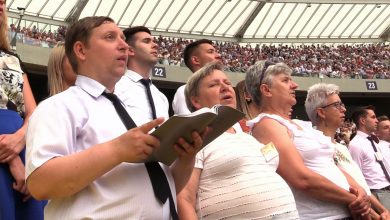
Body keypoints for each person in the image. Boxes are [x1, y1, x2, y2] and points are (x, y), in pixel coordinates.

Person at [26, 17, 202, 219]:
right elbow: (40, 184)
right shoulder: (58, 106)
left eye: (122, 38)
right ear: (81, 50)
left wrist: (186, 159)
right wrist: (116, 150)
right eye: (110, 37)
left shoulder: (135, 112)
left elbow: (163, 188)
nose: (124, 45)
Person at [245, 61, 371, 219]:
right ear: (266, 90)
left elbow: (331, 166)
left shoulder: (300, 125)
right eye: (285, 80)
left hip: (345, 212)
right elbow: (302, 179)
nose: (295, 85)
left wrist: (361, 194)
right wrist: (354, 199)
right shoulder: (266, 125)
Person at [177, 61, 299, 219]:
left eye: (227, 82)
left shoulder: (246, 134)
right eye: (214, 85)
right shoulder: (194, 139)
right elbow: (184, 198)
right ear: (196, 101)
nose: (225, 87)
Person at [305, 83, 389, 219]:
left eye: (342, 104)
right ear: (321, 112)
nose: (343, 109)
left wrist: (383, 210)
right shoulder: (314, 146)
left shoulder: (342, 147)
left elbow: (360, 183)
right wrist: (376, 216)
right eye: (337, 105)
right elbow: (348, 190)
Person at [0, 0, 45, 219]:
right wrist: (12, 159)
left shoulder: (13, 58)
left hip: (24, 149)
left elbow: (33, 112)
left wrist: (21, 139)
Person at [172, 39, 222, 115]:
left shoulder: (226, 89)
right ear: (195, 60)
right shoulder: (184, 91)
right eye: (210, 52)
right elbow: (189, 124)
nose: (218, 55)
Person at [349, 106, 390, 197]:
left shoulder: (372, 142)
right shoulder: (355, 145)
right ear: (363, 121)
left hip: (385, 189)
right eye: (373, 117)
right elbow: (356, 176)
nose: (376, 121)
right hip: (375, 192)